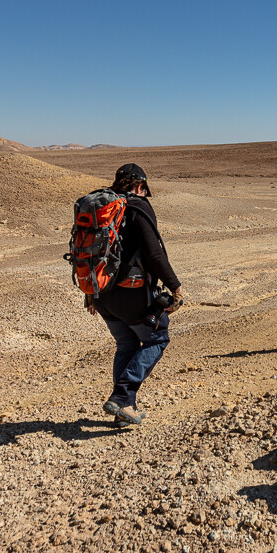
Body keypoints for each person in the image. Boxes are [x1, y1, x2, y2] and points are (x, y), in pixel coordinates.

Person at [87, 163, 183, 425]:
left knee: (127, 344)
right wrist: (175, 286)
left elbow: (86, 254)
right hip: (131, 295)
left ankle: (124, 410)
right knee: (157, 340)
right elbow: (154, 254)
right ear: (141, 186)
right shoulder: (138, 208)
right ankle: (121, 396)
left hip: (101, 295)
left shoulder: (101, 206)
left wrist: (90, 292)